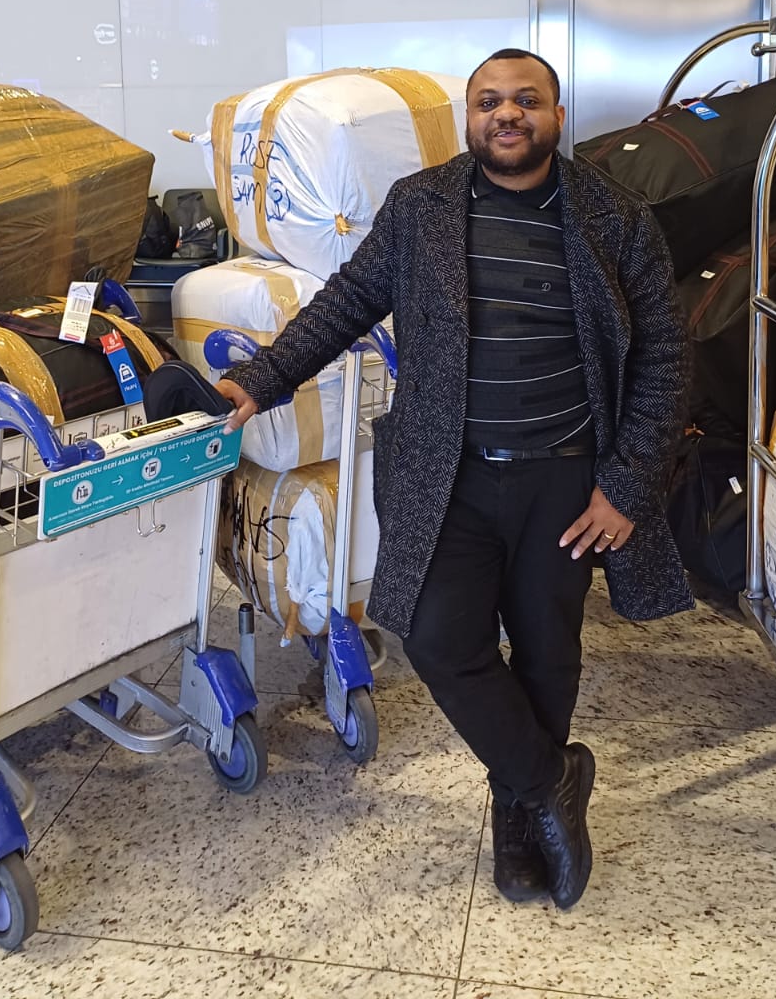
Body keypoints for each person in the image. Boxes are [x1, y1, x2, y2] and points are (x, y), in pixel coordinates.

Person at [216, 49, 692, 910]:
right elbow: (347, 301)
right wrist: (262, 377)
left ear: (556, 114)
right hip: (448, 477)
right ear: (470, 118)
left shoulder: (613, 215)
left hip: (565, 479)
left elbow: (665, 352)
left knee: (547, 651)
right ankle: (549, 780)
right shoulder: (421, 205)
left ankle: (517, 815)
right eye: (489, 102)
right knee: (439, 640)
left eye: (526, 100)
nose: (507, 114)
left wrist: (626, 485)